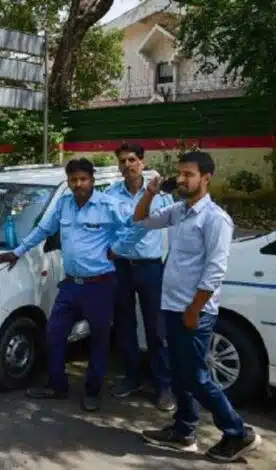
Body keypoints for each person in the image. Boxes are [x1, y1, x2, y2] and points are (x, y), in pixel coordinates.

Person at [134, 151, 261, 462]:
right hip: (173, 306)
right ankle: (184, 430)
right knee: (179, 373)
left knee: (197, 377)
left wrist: (194, 309)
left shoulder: (215, 219)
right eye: (180, 173)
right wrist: (149, 194)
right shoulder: (178, 211)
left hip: (195, 311)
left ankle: (238, 433)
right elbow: (140, 221)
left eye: (189, 174)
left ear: (206, 178)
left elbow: (215, 270)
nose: (182, 179)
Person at [0, 158, 145, 412]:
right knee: (54, 335)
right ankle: (57, 386)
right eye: (73, 180)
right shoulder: (64, 205)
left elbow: (139, 224)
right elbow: (42, 230)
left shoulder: (108, 205)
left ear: (92, 181)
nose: (78, 184)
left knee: (98, 339)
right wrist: (17, 252)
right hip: (71, 285)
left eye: (83, 179)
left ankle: (93, 392)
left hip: (100, 285)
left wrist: (119, 249)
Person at [105, 143, 175, 411]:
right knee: (123, 324)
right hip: (121, 266)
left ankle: (163, 385)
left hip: (150, 266)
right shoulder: (112, 195)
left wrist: (168, 262)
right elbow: (110, 228)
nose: (127, 165)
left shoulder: (160, 195)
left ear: (142, 163)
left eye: (132, 160)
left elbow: (173, 228)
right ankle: (131, 377)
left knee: (156, 326)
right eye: (122, 161)